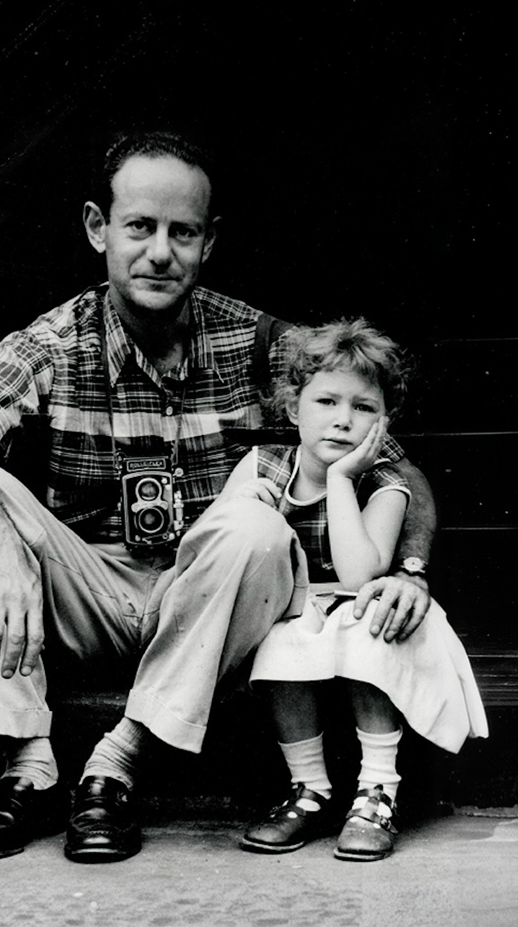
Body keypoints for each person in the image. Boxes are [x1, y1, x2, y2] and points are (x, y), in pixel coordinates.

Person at [0, 130, 437, 865]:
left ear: (207, 241)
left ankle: (117, 762)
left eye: (182, 232)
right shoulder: (57, 341)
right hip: (88, 590)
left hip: (205, 597)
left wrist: (407, 570)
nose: (160, 251)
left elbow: (398, 470)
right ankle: (26, 765)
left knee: (256, 525)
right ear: (99, 229)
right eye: (139, 227)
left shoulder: (259, 341)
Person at [209, 318, 488, 861]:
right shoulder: (261, 465)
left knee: (368, 628)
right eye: (326, 402)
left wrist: (339, 480)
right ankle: (308, 788)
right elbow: (215, 548)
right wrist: (244, 507)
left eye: (363, 408)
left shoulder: (384, 483)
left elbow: (361, 574)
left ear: (384, 422)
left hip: (362, 605)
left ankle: (378, 790)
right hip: (293, 608)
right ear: (293, 410)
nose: (342, 420)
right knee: (283, 641)